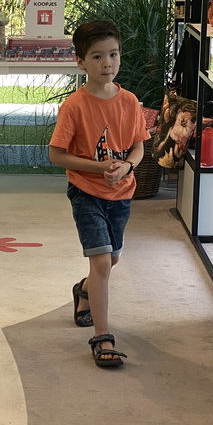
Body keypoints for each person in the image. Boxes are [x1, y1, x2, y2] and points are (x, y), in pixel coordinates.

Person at [48, 19, 149, 367]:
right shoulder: (74, 106)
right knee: (103, 261)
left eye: (113, 55)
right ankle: (102, 337)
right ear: (80, 62)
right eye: (96, 57)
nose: (107, 63)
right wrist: (100, 168)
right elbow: (56, 155)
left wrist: (127, 167)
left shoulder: (131, 102)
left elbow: (138, 148)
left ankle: (84, 290)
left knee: (110, 260)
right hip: (86, 193)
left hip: (122, 194)